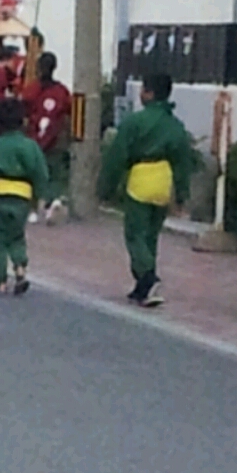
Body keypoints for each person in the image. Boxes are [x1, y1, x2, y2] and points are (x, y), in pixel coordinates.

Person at [97, 74, 193, 308]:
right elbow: (183, 162)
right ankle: (142, 288)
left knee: (135, 234)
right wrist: (181, 194)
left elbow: (117, 156)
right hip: (163, 180)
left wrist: (105, 187)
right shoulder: (175, 125)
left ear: (149, 93)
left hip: (141, 178)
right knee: (151, 235)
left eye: (143, 90)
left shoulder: (135, 122)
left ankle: (148, 277)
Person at [0, 99, 48, 295]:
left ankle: (1, 280)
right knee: (17, 235)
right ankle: (20, 269)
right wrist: (40, 198)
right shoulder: (31, 146)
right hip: (23, 196)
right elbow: (41, 174)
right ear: (23, 121)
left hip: (0, 193)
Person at [21, 52, 71, 225]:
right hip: (56, 138)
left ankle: (33, 210)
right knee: (54, 173)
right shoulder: (62, 91)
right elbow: (68, 111)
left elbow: (24, 110)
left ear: (39, 68)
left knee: (33, 173)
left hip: (34, 138)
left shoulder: (32, 89)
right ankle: (53, 200)